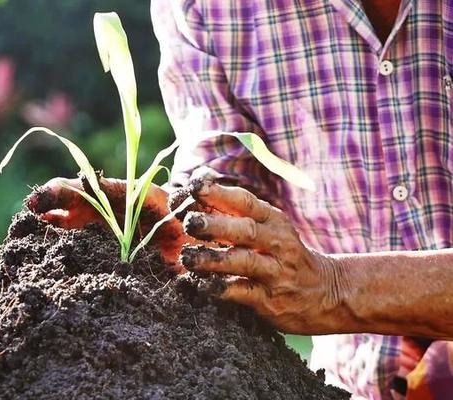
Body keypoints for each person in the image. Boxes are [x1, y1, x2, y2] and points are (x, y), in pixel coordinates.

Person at [27, 0, 453, 399]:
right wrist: (189, 225)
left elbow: (322, 286)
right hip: (353, 385)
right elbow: (227, 186)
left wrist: (334, 287)